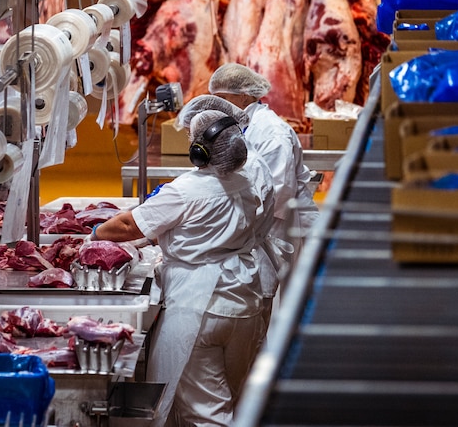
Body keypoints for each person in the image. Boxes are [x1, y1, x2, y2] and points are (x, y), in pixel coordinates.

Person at [93, 109, 275, 426]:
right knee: (232, 397)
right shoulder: (246, 183)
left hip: (199, 303)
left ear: (199, 150)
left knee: (206, 411)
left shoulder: (185, 189)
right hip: (245, 300)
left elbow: (125, 226)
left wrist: (92, 235)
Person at [208, 63, 321, 325]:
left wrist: (229, 217)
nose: (217, 105)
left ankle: (278, 361)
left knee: (286, 303)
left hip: (284, 225)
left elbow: (277, 191)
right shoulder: (243, 124)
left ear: (245, 95)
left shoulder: (272, 132)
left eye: (222, 98)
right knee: (265, 297)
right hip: (266, 224)